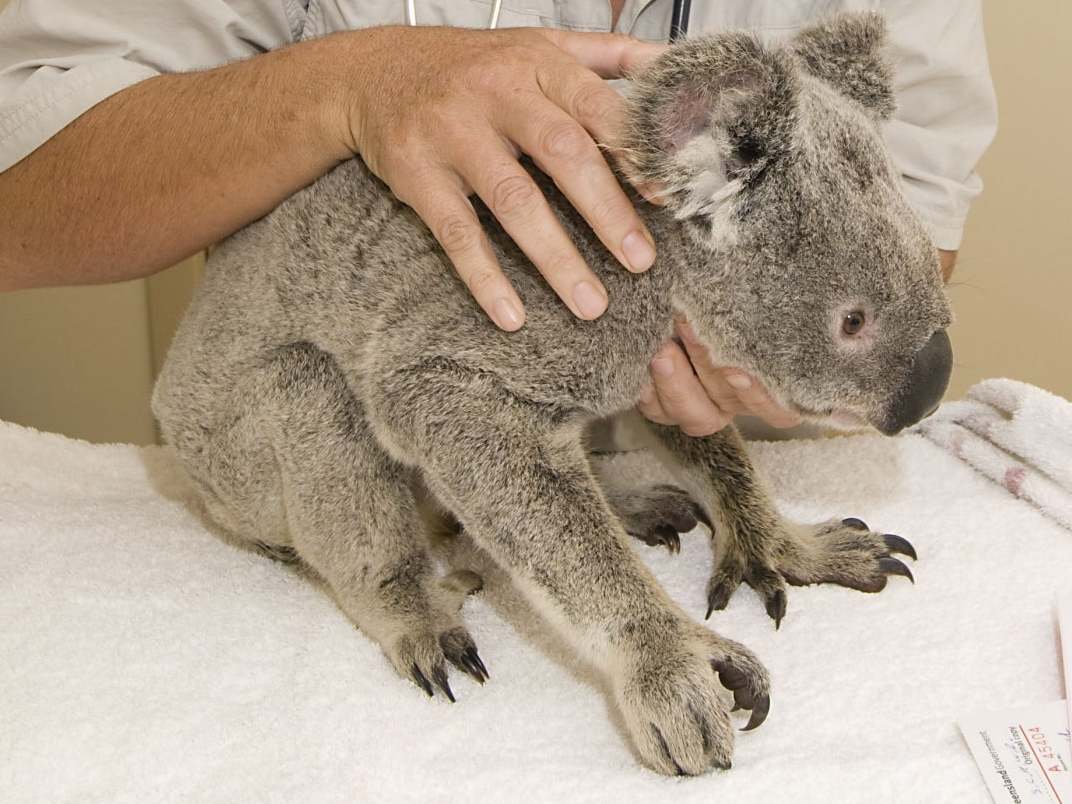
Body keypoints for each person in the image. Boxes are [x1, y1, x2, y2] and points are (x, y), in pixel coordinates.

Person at [0, 0, 996, 437]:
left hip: (707, 504)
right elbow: (19, 200)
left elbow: (916, 221)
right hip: (352, 469)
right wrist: (347, 91)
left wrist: (787, 357)